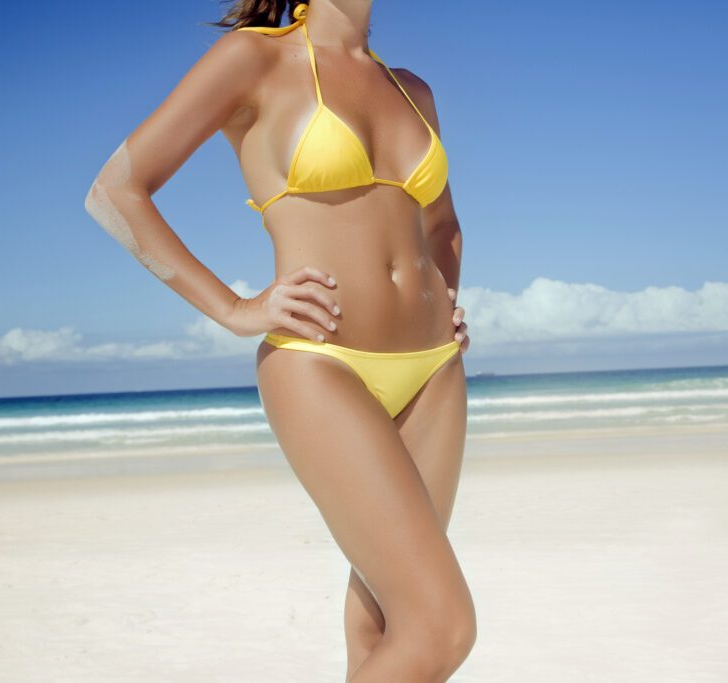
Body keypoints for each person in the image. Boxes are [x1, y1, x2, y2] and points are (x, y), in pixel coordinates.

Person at [83, 1, 475, 680]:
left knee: (382, 619)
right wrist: (236, 308)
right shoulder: (254, 61)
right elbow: (118, 191)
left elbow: (442, 225)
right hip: (320, 363)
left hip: (435, 370)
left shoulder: (414, 91)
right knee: (443, 627)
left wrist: (445, 297)